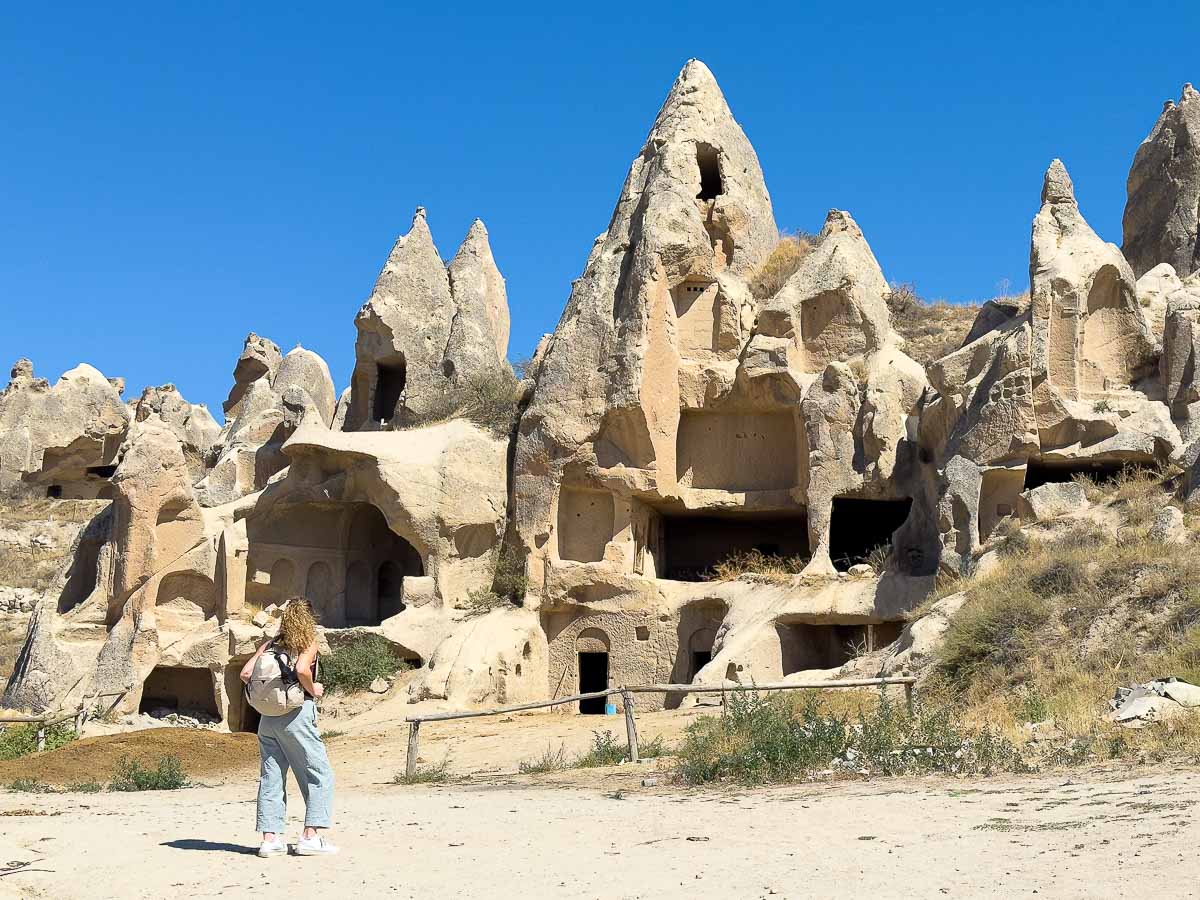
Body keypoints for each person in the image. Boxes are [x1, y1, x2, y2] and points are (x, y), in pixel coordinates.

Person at [240, 597, 338, 858]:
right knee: (319, 773)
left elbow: (246, 674)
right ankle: (310, 836)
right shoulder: (307, 643)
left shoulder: (270, 644)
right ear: (309, 619)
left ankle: (270, 840)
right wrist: (312, 689)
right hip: (296, 714)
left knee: (271, 776)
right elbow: (302, 668)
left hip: (267, 719)